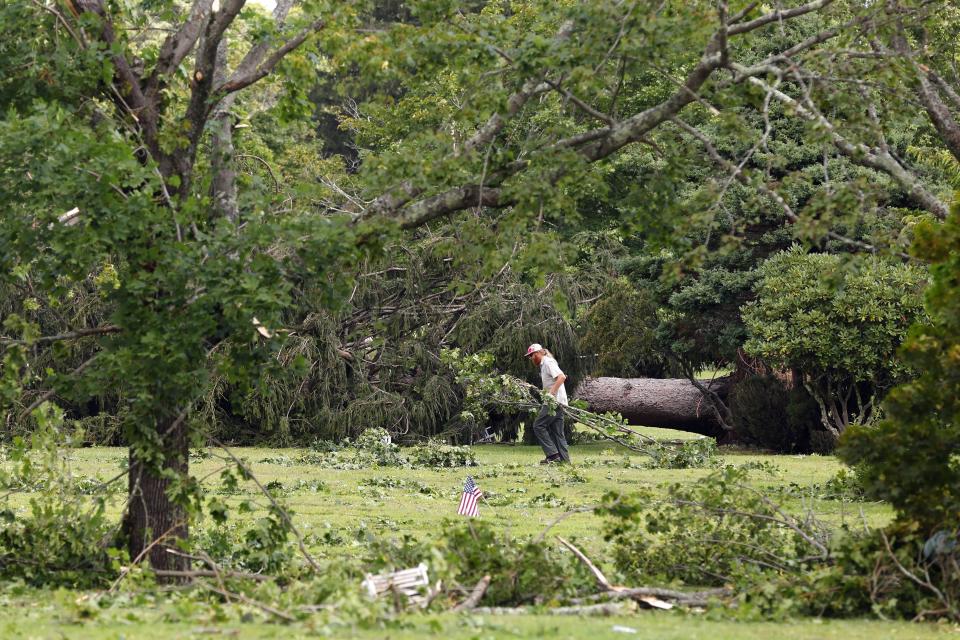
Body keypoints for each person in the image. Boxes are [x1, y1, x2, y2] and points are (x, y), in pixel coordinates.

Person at [525, 343, 571, 464]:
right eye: (529, 356)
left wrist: (551, 393)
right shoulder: (543, 365)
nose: (531, 358)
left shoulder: (548, 362)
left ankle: (552, 455)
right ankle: (565, 461)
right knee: (558, 433)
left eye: (531, 355)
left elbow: (562, 377)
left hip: (554, 402)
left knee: (538, 425)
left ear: (538, 353)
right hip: (558, 401)